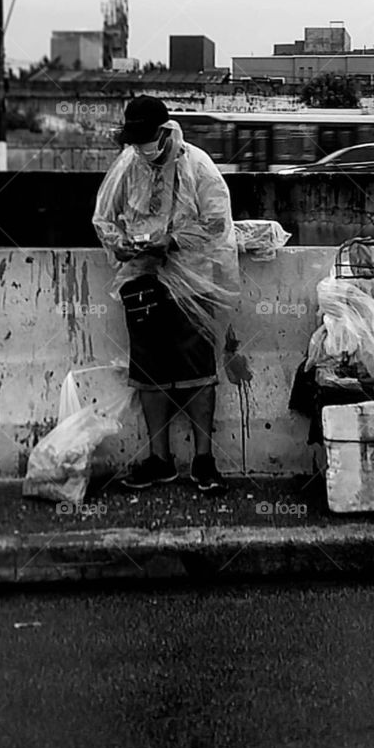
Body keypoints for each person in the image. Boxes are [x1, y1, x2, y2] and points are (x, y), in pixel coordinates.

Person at [93, 96, 239, 491]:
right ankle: (161, 460)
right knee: (150, 372)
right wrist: (119, 244)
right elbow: (104, 217)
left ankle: (204, 461)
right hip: (142, 279)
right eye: (135, 139)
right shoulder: (128, 164)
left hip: (191, 280)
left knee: (197, 370)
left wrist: (172, 241)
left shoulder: (198, 166)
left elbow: (215, 224)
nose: (141, 146)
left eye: (146, 138)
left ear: (163, 131)